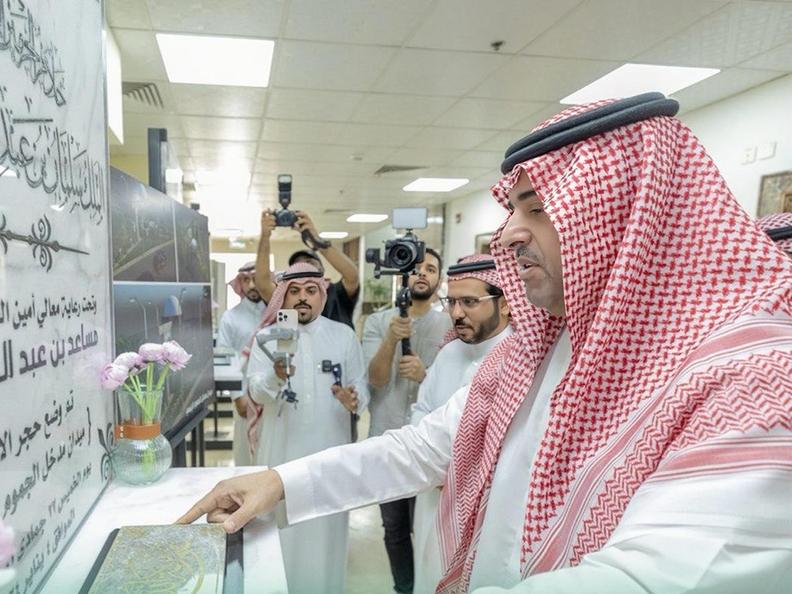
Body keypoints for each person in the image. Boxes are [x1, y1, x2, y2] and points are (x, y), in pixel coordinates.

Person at [179, 94, 792, 593]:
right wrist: (280, 482)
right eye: (513, 210)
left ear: (627, 214)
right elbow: (425, 446)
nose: (508, 235)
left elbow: (659, 577)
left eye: (537, 209)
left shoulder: (752, 372)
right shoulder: (537, 350)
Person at [244, 262, 367, 594]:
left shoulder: (343, 335)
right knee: (281, 530)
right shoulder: (267, 339)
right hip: (282, 454)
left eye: (311, 291)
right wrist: (275, 377)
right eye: (294, 291)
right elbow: (256, 392)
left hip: (331, 453)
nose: (302, 298)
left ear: (322, 295)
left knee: (327, 530)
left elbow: (361, 385)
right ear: (283, 297)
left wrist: (354, 398)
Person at [409, 254, 513, 591]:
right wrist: (440, 469)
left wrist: (460, 472)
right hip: (434, 496)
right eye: (451, 302)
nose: (456, 313)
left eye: (469, 302)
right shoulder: (448, 354)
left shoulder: (522, 359)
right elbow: (421, 410)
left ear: (506, 303)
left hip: (489, 509)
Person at [361, 246, 452, 594]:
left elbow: (460, 389)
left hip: (432, 447)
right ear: (403, 274)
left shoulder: (450, 324)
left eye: (431, 269)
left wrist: (425, 374)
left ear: (439, 279)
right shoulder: (378, 322)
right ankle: (404, 588)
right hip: (388, 441)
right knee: (394, 528)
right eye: (417, 268)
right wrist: (391, 338)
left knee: (426, 527)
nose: (423, 274)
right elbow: (376, 379)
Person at [255, 210, 361, 328]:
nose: (305, 268)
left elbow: (352, 275)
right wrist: (265, 237)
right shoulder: (286, 295)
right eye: (298, 266)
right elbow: (262, 284)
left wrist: (316, 240)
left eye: (310, 263)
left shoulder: (336, 293)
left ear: (322, 269)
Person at [216, 262, 266, 466]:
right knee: (246, 456)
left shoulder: (276, 314)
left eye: (256, 279)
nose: (252, 285)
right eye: (246, 280)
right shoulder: (230, 317)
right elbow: (224, 358)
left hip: (273, 395)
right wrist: (237, 397)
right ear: (240, 284)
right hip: (245, 396)